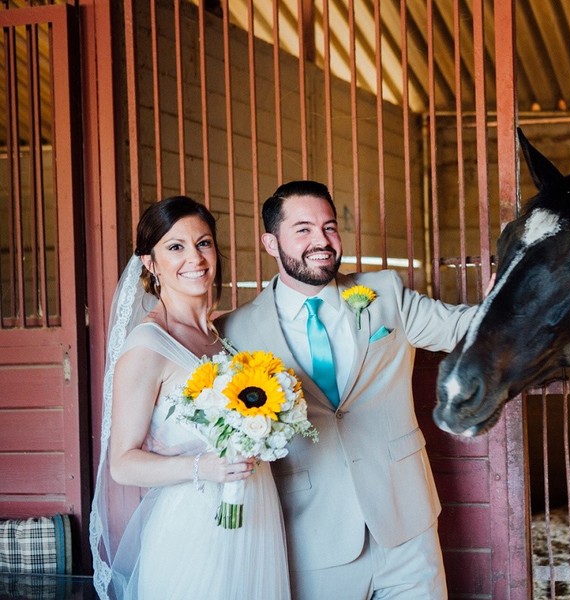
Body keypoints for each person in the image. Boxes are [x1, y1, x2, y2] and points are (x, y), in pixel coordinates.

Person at [217, 180, 479, 599]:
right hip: (311, 533)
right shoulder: (235, 331)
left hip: (405, 523)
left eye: (330, 227)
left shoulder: (385, 294)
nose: (321, 241)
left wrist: (520, 293)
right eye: (303, 229)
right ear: (270, 242)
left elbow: (465, 328)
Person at [89, 196, 291, 600]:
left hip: (257, 514)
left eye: (203, 243)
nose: (195, 258)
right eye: (175, 247)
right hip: (195, 528)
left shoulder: (223, 338)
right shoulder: (147, 345)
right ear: (150, 263)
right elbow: (123, 465)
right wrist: (206, 467)